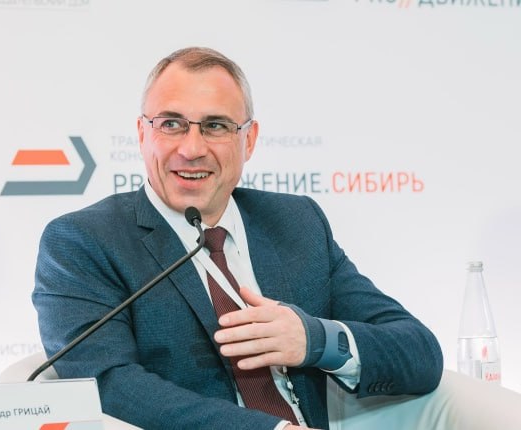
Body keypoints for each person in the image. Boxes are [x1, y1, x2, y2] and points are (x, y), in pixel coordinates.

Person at [32, 46, 443, 430]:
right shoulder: (84, 241)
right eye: (171, 124)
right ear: (142, 134)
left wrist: (314, 340)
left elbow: (419, 353)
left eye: (215, 126)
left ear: (250, 139)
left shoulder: (296, 223)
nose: (191, 149)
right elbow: (107, 384)